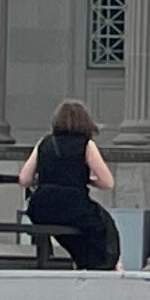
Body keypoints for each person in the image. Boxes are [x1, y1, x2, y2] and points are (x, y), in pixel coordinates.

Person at [16, 101, 119, 272]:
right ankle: (104, 265)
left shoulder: (44, 143)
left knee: (72, 232)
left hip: (42, 207)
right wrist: (86, 180)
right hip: (73, 205)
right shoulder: (87, 145)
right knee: (104, 225)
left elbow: (24, 179)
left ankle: (83, 262)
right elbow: (107, 182)